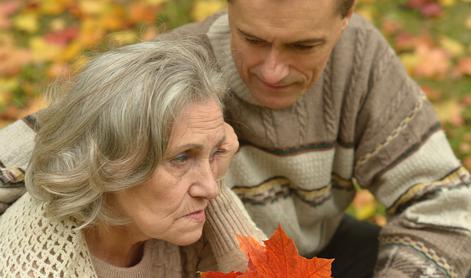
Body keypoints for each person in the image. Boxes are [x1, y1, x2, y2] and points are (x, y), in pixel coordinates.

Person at [1, 0, 471, 277]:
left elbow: (442, 203)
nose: (272, 70)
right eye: (252, 39)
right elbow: (62, 139)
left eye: (302, 46)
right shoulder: (177, 69)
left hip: (309, 250)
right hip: (212, 259)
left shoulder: (362, 61)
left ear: (343, 22)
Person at [0, 37, 265, 277]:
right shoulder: (35, 269)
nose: (210, 188)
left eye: (216, 152)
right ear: (106, 163)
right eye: (182, 158)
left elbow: (266, 271)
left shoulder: (168, 220)